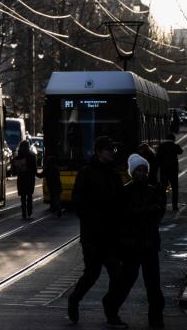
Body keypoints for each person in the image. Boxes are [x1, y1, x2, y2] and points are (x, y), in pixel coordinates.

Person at [67, 136, 127, 328]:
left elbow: (120, 204)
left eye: (113, 150)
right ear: (99, 152)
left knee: (118, 276)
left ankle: (111, 311)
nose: (112, 153)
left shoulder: (115, 175)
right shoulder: (86, 173)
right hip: (93, 236)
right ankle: (75, 299)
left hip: (111, 236)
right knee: (91, 275)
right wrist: (92, 220)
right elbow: (78, 202)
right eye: (109, 150)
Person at [116, 154, 165, 328]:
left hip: (150, 245)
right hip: (132, 246)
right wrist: (148, 210)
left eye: (144, 170)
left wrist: (149, 210)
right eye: (138, 170)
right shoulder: (126, 191)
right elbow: (126, 214)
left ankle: (156, 318)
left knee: (153, 285)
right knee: (126, 281)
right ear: (132, 172)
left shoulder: (153, 190)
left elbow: (159, 211)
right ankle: (112, 308)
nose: (142, 174)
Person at [157, 133, 183, 211]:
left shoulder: (161, 146)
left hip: (164, 171)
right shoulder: (175, 146)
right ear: (173, 139)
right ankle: (174, 206)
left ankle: (163, 205)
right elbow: (180, 151)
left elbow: (158, 158)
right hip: (173, 171)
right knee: (175, 189)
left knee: (163, 189)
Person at [13, 140, 37, 219]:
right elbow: (34, 169)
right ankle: (29, 210)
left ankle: (24, 212)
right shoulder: (32, 155)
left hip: (21, 179)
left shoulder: (17, 157)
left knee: (23, 196)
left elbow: (14, 170)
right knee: (29, 195)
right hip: (29, 178)